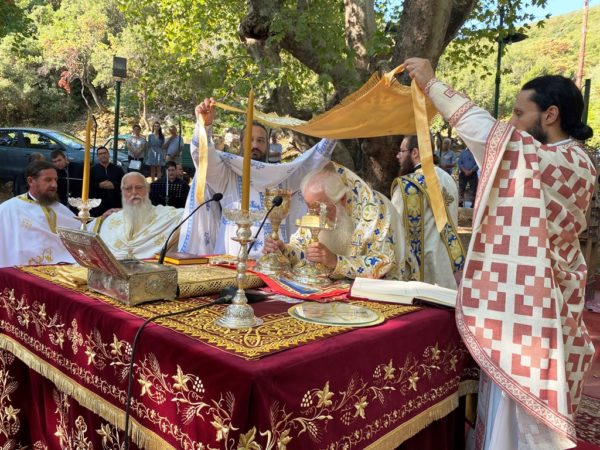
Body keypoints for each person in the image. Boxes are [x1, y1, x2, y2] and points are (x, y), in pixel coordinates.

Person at [404, 57, 596, 449]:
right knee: (508, 406)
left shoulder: (555, 159)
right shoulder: (576, 158)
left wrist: (432, 84)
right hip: (540, 295)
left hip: (534, 307)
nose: (511, 122)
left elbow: (483, 130)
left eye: (519, 113)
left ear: (551, 115)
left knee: (518, 416)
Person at [178, 97, 337, 258]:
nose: (255, 145)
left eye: (260, 141)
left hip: (274, 262)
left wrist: (336, 130)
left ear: (267, 146)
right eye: (250, 140)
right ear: (241, 143)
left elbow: (311, 163)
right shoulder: (227, 174)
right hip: (231, 262)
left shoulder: (282, 176)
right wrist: (205, 126)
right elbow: (203, 157)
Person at [263, 162, 402, 279]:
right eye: (309, 207)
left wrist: (336, 261)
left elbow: (384, 262)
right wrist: (284, 250)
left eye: (320, 208)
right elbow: (303, 249)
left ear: (342, 199)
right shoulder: (316, 209)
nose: (314, 215)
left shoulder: (373, 210)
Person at [391, 135, 465, 289]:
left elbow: (393, 228)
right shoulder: (448, 179)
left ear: (415, 152)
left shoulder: (407, 186)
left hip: (422, 272)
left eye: (402, 151)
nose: (398, 156)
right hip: (447, 265)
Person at [0, 160, 81, 267]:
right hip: (22, 269)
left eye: (55, 180)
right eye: (48, 180)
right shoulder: (8, 209)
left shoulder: (60, 208)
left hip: (60, 267)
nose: (54, 185)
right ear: (30, 181)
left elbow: (81, 231)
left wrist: (100, 221)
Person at [95, 172, 184, 259]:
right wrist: (101, 220)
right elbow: (89, 231)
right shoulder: (110, 219)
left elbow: (189, 214)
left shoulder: (166, 216)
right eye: (128, 189)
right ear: (122, 192)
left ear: (148, 189)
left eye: (139, 187)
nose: (134, 192)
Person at [89, 146, 124, 216]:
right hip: (98, 206)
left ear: (108, 154)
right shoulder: (92, 170)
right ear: (98, 156)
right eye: (100, 154)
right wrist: (99, 185)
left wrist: (114, 185)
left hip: (116, 204)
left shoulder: (118, 169)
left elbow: (124, 184)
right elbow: (89, 185)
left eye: (105, 153)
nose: (103, 155)